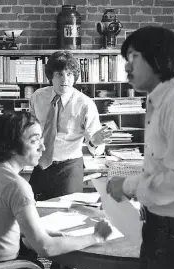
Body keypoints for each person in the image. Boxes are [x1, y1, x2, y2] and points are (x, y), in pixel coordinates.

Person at [106, 26, 174, 269]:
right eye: (127, 59)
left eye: (134, 57)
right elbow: (164, 168)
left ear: (158, 58)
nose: (126, 67)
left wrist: (128, 186)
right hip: (162, 233)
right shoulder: (160, 101)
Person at [0, 112, 113, 269]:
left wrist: (45, 234)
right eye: (34, 141)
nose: (43, 147)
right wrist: (96, 237)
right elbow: (46, 247)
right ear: (11, 145)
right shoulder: (16, 185)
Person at [29, 51, 112, 201]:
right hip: (40, 164)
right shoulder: (38, 97)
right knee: (35, 210)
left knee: (66, 214)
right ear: (50, 76)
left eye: (69, 74)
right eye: (59, 74)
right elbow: (29, 131)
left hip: (69, 167)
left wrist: (95, 142)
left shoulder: (85, 104)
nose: (65, 79)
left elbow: (97, 147)